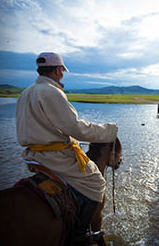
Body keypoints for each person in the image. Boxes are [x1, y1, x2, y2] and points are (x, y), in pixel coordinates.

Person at [16, 52, 118, 245]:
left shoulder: (25, 92)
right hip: (54, 156)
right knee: (97, 183)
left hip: (34, 156)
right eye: (62, 71)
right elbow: (75, 128)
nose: (62, 74)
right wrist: (108, 131)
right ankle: (80, 234)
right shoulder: (51, 92)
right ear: (57, 70)